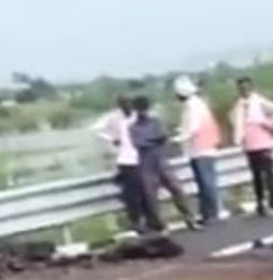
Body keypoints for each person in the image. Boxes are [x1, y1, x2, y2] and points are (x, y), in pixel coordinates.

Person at [129, 96, 199, 232]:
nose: (142, 112)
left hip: (162, 163)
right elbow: (138, 144)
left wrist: (152, 140)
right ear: (136, 110)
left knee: (177, 190)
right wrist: (155, 140)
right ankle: (161, 226)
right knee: (152, 199)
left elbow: (163, 137)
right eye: (140, 109)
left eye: (144, 109)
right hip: (146, 166)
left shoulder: (156, 122)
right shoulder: (133, 127)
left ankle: (190, 219)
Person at [92, 96, 159, 234]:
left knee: (145, 192)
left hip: (140, 158)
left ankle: (150, 221)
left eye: (128, 105)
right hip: (126, 160)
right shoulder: (114, 118)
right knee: (134, 194)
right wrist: (112, 139)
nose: (127, 108)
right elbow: (95, 129)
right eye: (123, 106)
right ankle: (138, 222)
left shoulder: (136, 117)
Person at [230, 77, 273, 216]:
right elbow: (237, 125)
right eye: (241, 88)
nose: (244, 90)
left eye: (246, 87)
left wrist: (268, 123)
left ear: (251, 88)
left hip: (264, 144)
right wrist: (238, 140)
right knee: (256, 177)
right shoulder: (238, 106)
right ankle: (260, 204)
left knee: (269, 176)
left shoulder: (259, 101)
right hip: (250, 146)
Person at [173, 76, 224, 225]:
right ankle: (207, 213)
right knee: (204, 183)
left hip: (201, 148)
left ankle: (212, 213)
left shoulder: (192, 106)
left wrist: (181, 138)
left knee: (206, 183)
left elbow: (193, 127)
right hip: (201, 148)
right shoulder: (196, 103)